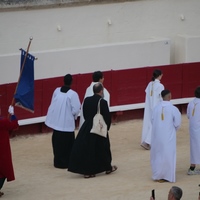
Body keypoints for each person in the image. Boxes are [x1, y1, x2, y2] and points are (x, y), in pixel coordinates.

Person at [68, 83, 117, 178]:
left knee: (88, 149)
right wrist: (106, 129)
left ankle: (88, 171)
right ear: (101, 91)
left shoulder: (87, 100)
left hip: (87, 127)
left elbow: (85, 114)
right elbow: (107, 116)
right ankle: (107, 167)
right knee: (103, 148)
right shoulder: (102, 102)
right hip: (98, 127)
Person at [45, 74, 81, 169]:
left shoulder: (57, 91)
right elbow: (76, 109)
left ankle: (58, 161)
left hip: (57, 123)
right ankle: (67, 162)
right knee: (68, 144)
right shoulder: (73, 94)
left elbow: (53, 103)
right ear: (71, 82)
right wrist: (73, 115)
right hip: (67, 123)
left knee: (57, 143)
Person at [150, 89, 181, 183]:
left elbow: (152, 121)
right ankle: (167, 176)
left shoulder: (156, 108)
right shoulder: (173, 109)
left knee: (158, 154)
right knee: (168, 154)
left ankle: (158, 175)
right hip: (168, 136)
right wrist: (172, 130)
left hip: (157, 136)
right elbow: (177, 123)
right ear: (170, 97)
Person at [141, 69, 164, 150]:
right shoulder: (160, 86)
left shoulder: (150, 84)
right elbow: (162, 98)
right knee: (155, 124)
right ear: (160, 75)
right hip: (156, 107)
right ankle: (147, 141)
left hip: (149, 107)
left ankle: (149, 140)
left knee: (149, 123)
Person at [0, 105, 19, 197]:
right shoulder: (3, 122)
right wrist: (12, 114)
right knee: (3, 170)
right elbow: (14, 126)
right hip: (2, 150)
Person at [187, 86, 200, 175]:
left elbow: (188, 116)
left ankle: (192, 167)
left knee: (194, 146)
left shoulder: (191, 103)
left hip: (192, 128)